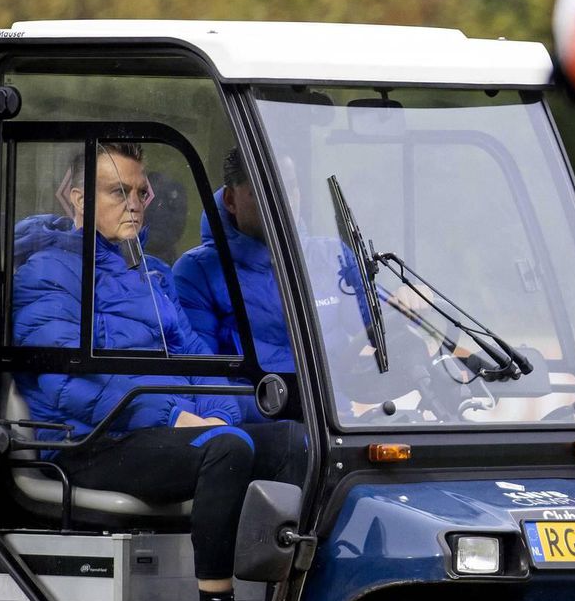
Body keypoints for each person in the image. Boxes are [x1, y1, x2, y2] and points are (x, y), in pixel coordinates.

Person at [12, 142, 273, 601]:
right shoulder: (45, 273)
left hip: (156, 433)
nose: (134, 204)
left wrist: (221, 410)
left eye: (140, 192)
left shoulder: (151, 274)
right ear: (77, 199)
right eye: (118, 192)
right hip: (89, 442)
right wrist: (176, 417)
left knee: (296, 440)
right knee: (223, 448)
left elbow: (202, 361)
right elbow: (65, 382)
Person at [174, 148, 424, 417]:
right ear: (231, 200)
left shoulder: (333, 256)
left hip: (346, 414)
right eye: (265, 190)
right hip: (269, 422)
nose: (285, 201)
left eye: (291, 188)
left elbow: (377, 325)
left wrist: (408, 307)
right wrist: (299, 408)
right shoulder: (197, 272)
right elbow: (206, 381)